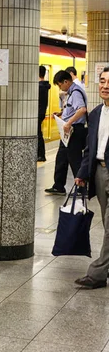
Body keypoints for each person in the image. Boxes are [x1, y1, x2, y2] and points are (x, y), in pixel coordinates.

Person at [74, 66, 109, 289]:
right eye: (103, 81)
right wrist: (82, 173)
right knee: (107, 224)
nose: (106, 87)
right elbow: (90, 147)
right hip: (99, 172)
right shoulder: (96, 113)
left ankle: (97, 273)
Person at [45, 70, 88, 195]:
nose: (60, 88)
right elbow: (72, 110)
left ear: (66, 81)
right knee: (61, 158)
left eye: (60, 85)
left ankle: (82, 188)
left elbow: (82, 110)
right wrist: (61, 114)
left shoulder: (75, 93)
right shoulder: (70, 93)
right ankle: (59, 186)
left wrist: (68, 123)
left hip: (74, 130)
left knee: (75, 159)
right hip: (68, 131)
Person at [38, 66, 50, 162]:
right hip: (42, 112)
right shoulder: (45, 86)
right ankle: (41, 154)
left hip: (38, 113)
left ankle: (41, 155)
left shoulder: (39, 87)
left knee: (38, 134)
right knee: (39, 133)